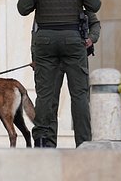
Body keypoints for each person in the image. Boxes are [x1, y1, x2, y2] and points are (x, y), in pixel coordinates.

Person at [17, 0, 101, 147]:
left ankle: (45, 142)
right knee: (79, 95)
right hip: (73, 40)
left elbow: (23, 8)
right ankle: (84, 143)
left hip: (45, 40)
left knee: (46, 96)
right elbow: (95, 5)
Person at [30, 10, 101, 147]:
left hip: (68, 54)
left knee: (75, 98)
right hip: (57, 56)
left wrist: (91, 38)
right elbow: (36, 30)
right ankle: (54, 143)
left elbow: (95, 24)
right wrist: (35, 58)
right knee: (51, 100)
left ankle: (79, 142)